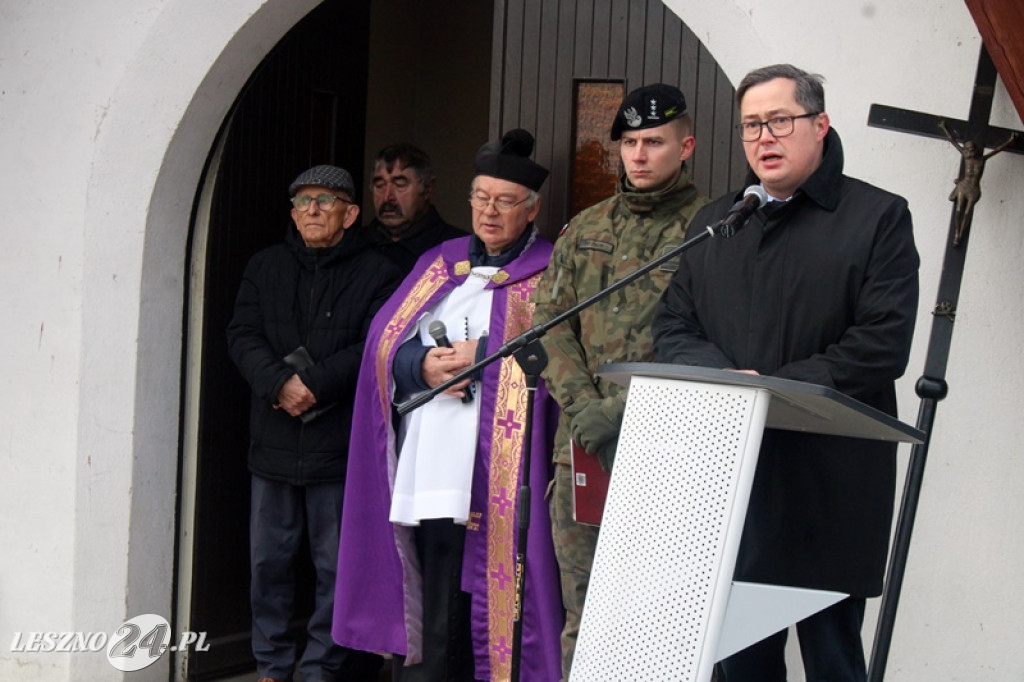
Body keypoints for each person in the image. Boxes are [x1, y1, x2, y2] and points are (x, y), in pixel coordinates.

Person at [652, 64, 920, 682]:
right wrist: (730, 380)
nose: (763, 138)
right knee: (739, 664)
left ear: (820, 125)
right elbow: (673, 327)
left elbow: (881, 343)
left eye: (779, 121)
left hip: (828, 486)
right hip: (733, 483)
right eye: (751, 125)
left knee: (832, 662)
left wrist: (770, 388)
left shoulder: (876, 217)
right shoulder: (718, 222)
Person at [333, 129, 563, 681]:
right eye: (480, 198)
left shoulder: (551, 271)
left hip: (500, 471)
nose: (489, 212)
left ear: (532, 209)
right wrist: (422, 366)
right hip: (433, 467)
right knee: (435, 594)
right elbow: (385, 342)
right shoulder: (441, 262)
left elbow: (560, 352)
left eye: (504, 201)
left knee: (487, 599)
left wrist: (483, 356)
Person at [530, 82, 707, 679]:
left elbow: (711, 343)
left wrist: (625, 410)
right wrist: (585, 408)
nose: (638, 155)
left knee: (665, 619)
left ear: (686, 147)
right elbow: (549, 327)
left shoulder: (713, 229)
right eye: (629, 143)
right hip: (582, 448)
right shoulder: (586, 226)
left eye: (654, 142)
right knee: (585, 615)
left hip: (670, 448)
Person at [227, 164, 403, 682]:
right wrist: (279, 383)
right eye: (302, 201)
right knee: (269, 564)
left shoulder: (379, 271)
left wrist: (314, 384)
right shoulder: (265, 266)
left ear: (350, 214)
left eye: (325, 201)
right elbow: (241, 334)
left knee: (335, 568)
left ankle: (320, 669)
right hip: (274, 440)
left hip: (339, 446)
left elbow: (377, 344)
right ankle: (271, 665)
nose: (311, 210)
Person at [365, 142, 465, 274]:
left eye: (400, 184)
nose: (387, 197)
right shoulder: (355, 246)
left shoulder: (460, 250)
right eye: (379, 185)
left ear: (427, 189)